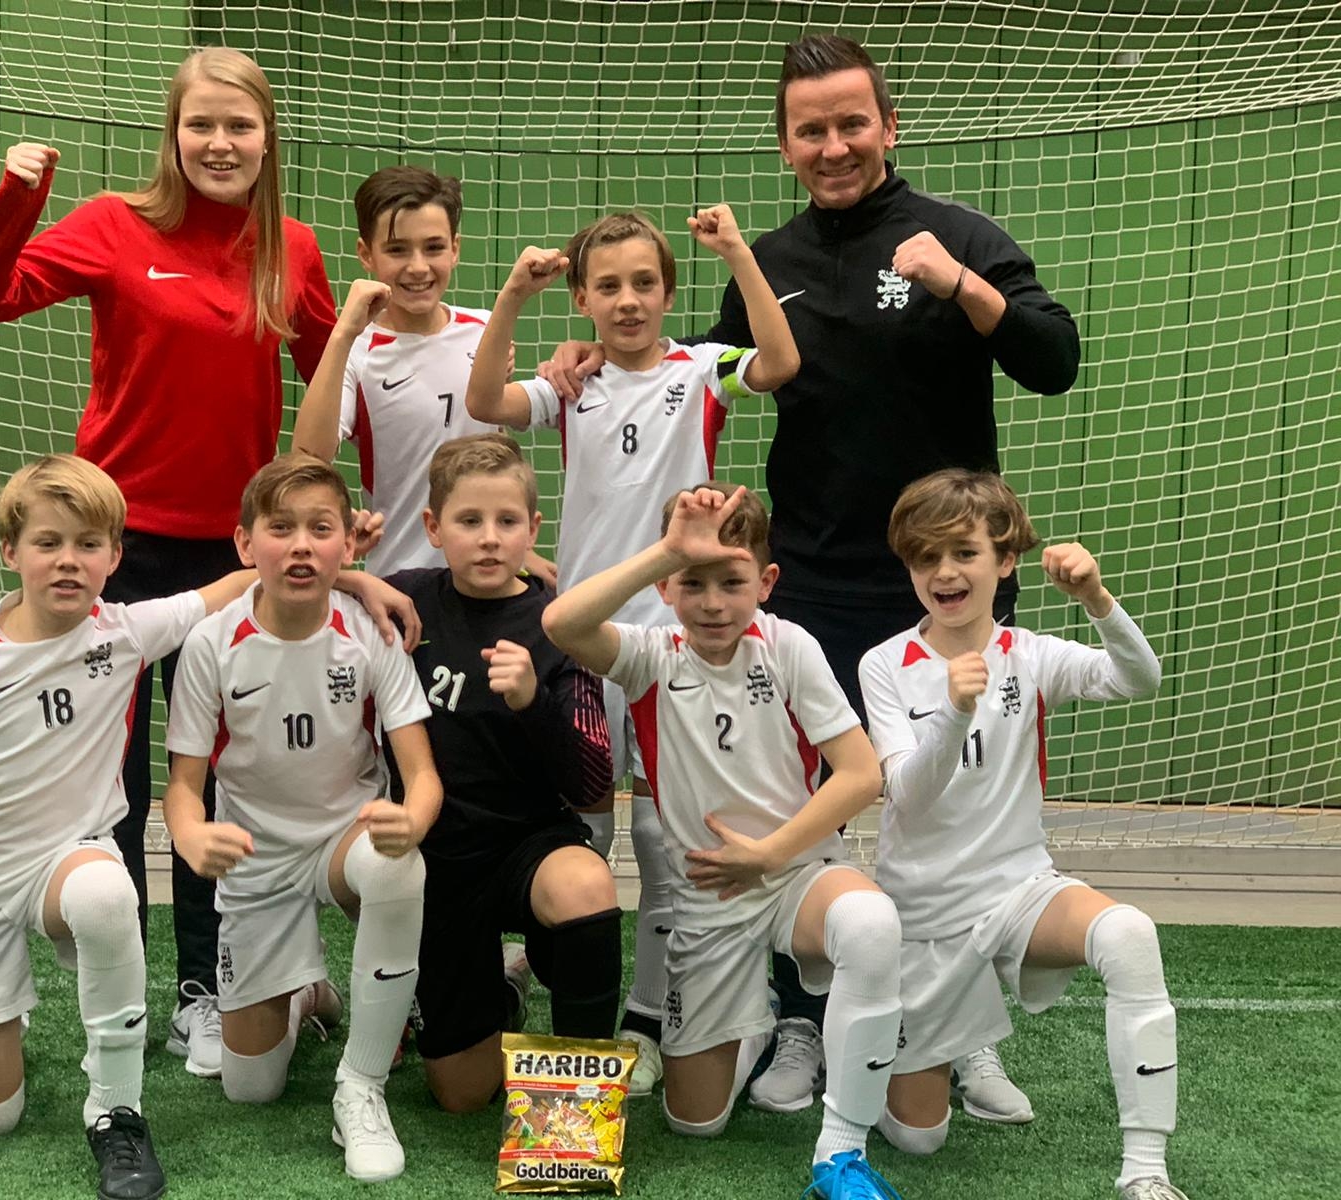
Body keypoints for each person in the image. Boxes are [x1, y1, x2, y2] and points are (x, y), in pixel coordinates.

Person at [545, 32, 1080, 1118]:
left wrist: (961, 285)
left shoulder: (958, 234)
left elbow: (1052, 358)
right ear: (785, 145)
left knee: (955, 803)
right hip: (816, 582)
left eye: (851, 124)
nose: (833, 146)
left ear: (888, 126)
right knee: (807, 804)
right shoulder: (773, 258)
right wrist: (589, 356)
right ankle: (800, 1015)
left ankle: (958, 1029)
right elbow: (695, 365)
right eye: (810, 130)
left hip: (945, 580)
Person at [0, 46, 403, 1079]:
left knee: (215, 778)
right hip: (119, 551)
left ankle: (208, 990)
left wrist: (340, 522)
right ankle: (117, 994)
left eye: (239, 125)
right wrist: (17, 199)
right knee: (106, 784)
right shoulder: (114, 224)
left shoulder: (292, 248)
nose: (220, 143)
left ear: (267, 138)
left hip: (238, 558)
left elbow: (334, 388)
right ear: (174, 133)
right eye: (202, 124)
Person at [466, 206, 799, 1095]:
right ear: (580, 298)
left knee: (659, 836)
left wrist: (738, 253)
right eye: (607, 286)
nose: (627, 301)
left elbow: (781, 362)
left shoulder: (701, 368)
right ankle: (563, 993)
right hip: (585, 638)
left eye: (644, 283)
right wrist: (513, 295)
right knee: (583, 830)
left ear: (668, 292)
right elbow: (486, 403)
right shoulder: (574, 384)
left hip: (675, 643)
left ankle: (648, 1017)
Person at [0, 454, 258, 1200]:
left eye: (89, 544)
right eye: (48, 542)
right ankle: (2, 1025)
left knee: (106, 895)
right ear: (10, 551)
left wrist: (355, 577)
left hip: (68, 861)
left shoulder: (125, 632)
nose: (69, 560)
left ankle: (116, 1110)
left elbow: (228, 588)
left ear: (115, 557)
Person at [543, 483, 907, 1200]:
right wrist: (667, 551)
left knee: (871, 922)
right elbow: (561, 622)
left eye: (732, 583)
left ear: (766, 582)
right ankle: (756, 1025)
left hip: (795, 873)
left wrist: (769, 854)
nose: (713, 603)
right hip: (707, 894)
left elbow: (862, 774)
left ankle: (841, 1152)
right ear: (667, 588)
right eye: (692, 583)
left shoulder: (789, 646)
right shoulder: (650, 656)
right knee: (694, 1122)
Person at [859, 468, 1180, 1200]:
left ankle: (1145, 1171)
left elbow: (1139, 679)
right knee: (918, 1136)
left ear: (1004, 561)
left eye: (964, 553)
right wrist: (953, 711)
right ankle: (941, 1045)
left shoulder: (1030, 654)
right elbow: (908, 794)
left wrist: (1097, 600)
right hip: (924, 913)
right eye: (925, 557)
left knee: (1128, 934)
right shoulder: (884, 664)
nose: (945, 572)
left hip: (1018, 889)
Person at [163, 453, 440, 1184]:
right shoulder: (210, 644)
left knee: (396, 864)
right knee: (250, 1087)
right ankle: (308, 992)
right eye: (280, 528)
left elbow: (422, 777)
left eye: (321, 529)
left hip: (343, 841)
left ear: (347, 545)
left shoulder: (370, 634)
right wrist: (190, 834)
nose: (301, 546)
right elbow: (183, 786)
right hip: (256, 858)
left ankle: (361, 1087)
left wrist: (413, 821)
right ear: (245, 544)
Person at [379, 433, 621, 1112]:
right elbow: (303, 576)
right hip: (440, 861)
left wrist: (533, 702)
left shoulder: (557, 625)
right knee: (462, 1096)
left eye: (507, 521)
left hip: (529, 846)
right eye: (469, 521)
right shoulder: (406, 601)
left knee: (585, 884)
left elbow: (591, 784)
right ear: (434, 527)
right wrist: (361, 577)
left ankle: (576, 1107)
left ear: (532, 529)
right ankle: (504, 993)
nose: (489, 538)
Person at [293, 166, 552, 581]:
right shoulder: (356, 348)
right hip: (400, 579)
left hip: (489, 579)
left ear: (455, 248)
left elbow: (498, 454)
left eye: (433, 247)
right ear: (366, 254)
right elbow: (307, 458)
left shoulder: (485, 328)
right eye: (397, 250)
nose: (418, 267)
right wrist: (342, 334)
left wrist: (524, 551)